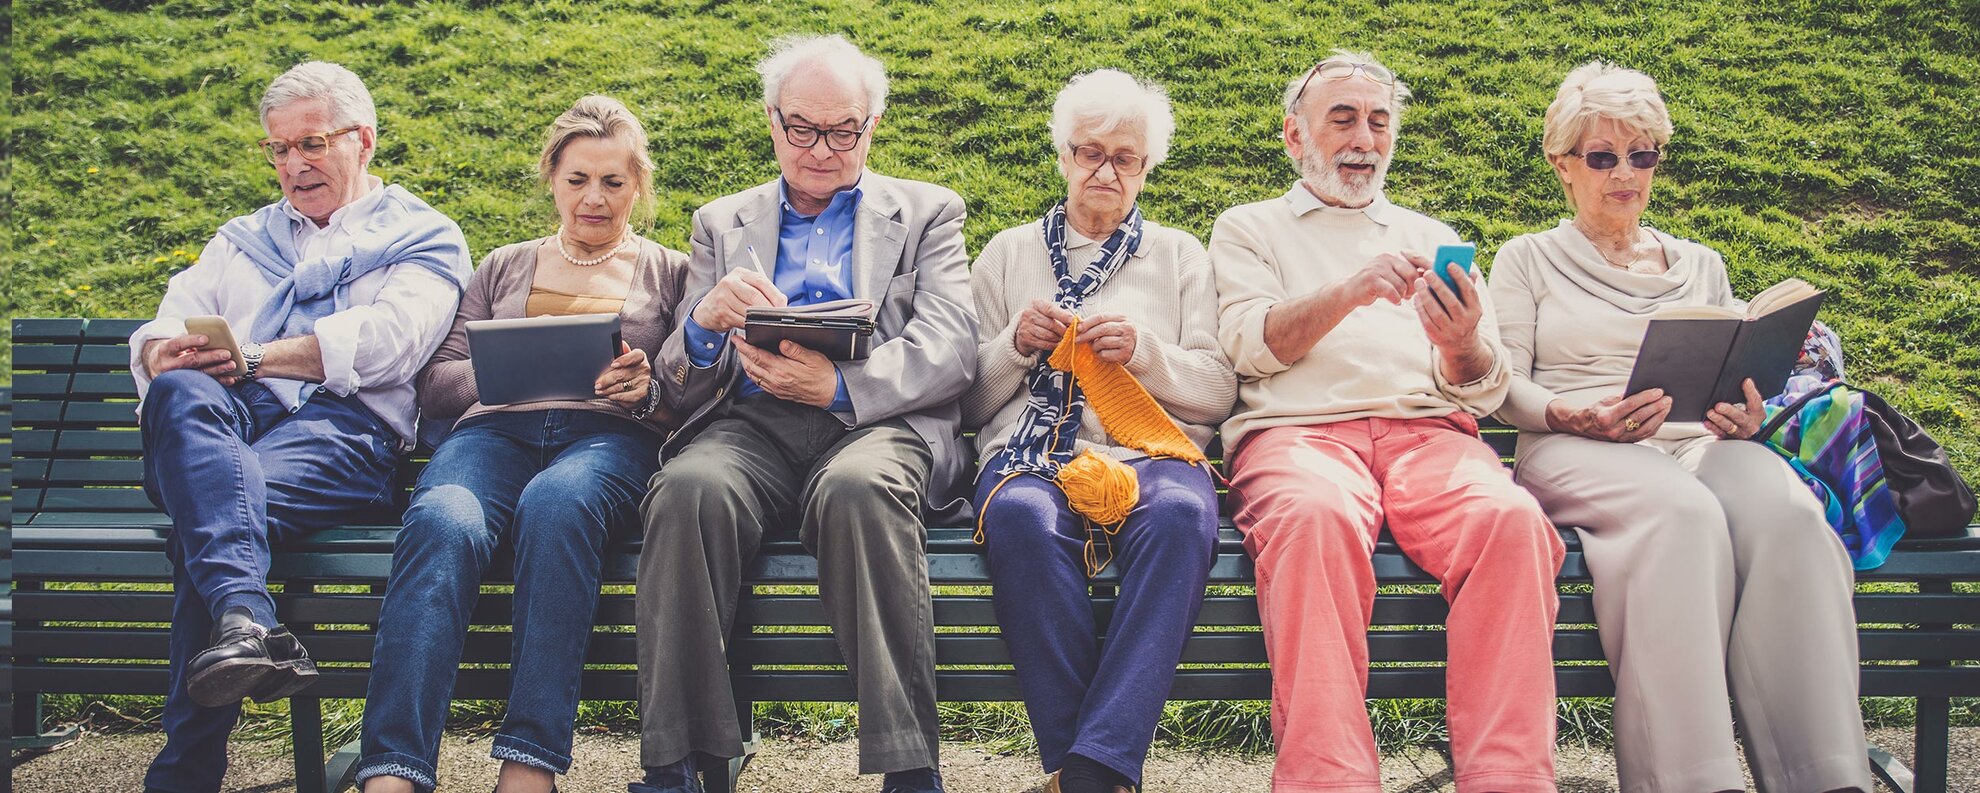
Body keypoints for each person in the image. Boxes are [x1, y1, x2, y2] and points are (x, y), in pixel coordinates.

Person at [1488, 61, 1870, 793]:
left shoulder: (1700, 263)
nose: (1625, 173)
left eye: (1643, 155)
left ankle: (1824, 774)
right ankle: (1692, 778)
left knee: (1790, 514)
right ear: (1562, 165)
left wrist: (1744, 411)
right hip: (1574, 441)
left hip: (1698, 438)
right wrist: (1573, 413)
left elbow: (1732, 373)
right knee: (1683, 513)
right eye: (1602, 157)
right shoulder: (1529, 258)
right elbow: (1502, 386)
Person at [1208, 50, 1565, 792]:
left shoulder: (1433, 232)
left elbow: (1485, 384)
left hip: (1430, 436)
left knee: (1512, 522)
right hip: (1300, 435)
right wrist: (1349, 291)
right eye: (1341, 119)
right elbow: (1248, 346)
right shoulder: (1249, 229)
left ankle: (1508, 778)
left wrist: (1462, 341)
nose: (1363, 138)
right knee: (1312, 519)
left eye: (1378, 121)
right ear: (1294, 136)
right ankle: (1328, 777)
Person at [630, 34, 976, 793]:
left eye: (843, 130)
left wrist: (839, 387)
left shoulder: (927, 212)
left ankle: (909, 767)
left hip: (874, 424)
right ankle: (680, 763)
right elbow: (678, 384)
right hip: (749, 424)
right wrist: (702, 326)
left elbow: (952, 345)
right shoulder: (721, 222)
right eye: (802, 128)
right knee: (689, 491)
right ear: (772, 121)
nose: (821, 148)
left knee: (860, 491)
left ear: (872, 125)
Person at [128, 61, 472, 793]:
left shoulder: (423, 235)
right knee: (184, 391)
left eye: (311, 143)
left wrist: (251, 355)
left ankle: (188, 764)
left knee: (211, 520)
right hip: (221, 428)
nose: (294, 165)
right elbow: (166, 317)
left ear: (364, 141)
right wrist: (163, 349)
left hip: (343, 434)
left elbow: (389, 343)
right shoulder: (242, 239)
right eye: (278, 150)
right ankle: (246, 620)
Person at [354, 95, 690, 793]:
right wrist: (508, 367)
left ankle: (529, 765)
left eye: (613, 182)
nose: (593, 198)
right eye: (577, 180)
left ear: (638, 186)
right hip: (495, 432)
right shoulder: (503, 267)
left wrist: (645, 382)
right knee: (442, 518)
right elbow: (436, 382)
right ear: (552, 178)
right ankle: (392, 768)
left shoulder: (671, 272)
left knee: (556, 502)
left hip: (609, 439)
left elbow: (693, 383)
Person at [961, 69, 1235, 793]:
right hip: (1029, 455)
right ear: (1063, 156)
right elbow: (962, 403)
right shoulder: (1007, 253)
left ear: (1148, 168)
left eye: (1126, 157)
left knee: (1181, 512)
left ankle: (1084, 774)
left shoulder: (1178, 256)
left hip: (1147, 453)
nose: (1106, 170)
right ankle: (1098, 773)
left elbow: (1216, 391)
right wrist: (1015, 346)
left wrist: (1147, 352)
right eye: (1091, 152)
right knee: (1021, 517)